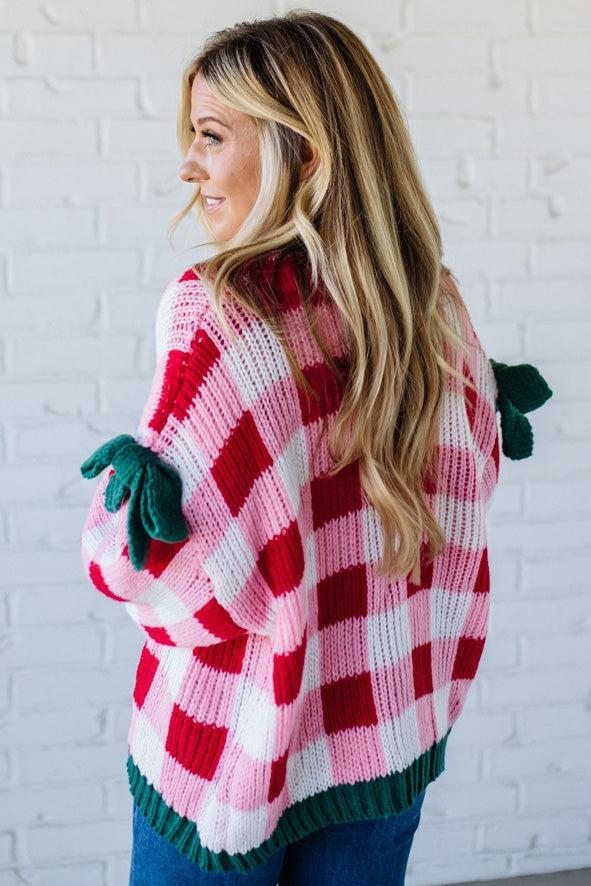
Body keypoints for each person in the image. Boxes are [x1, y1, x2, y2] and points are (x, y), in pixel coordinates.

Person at [79, 10, 552, 886]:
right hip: (387, 738)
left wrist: (120, 519)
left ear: (306, 152)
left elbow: (154, 571)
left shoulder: (221, 312)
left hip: (231, 766)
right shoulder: (432, 306)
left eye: (211, 136)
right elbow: (466, 494)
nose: (189, 165)